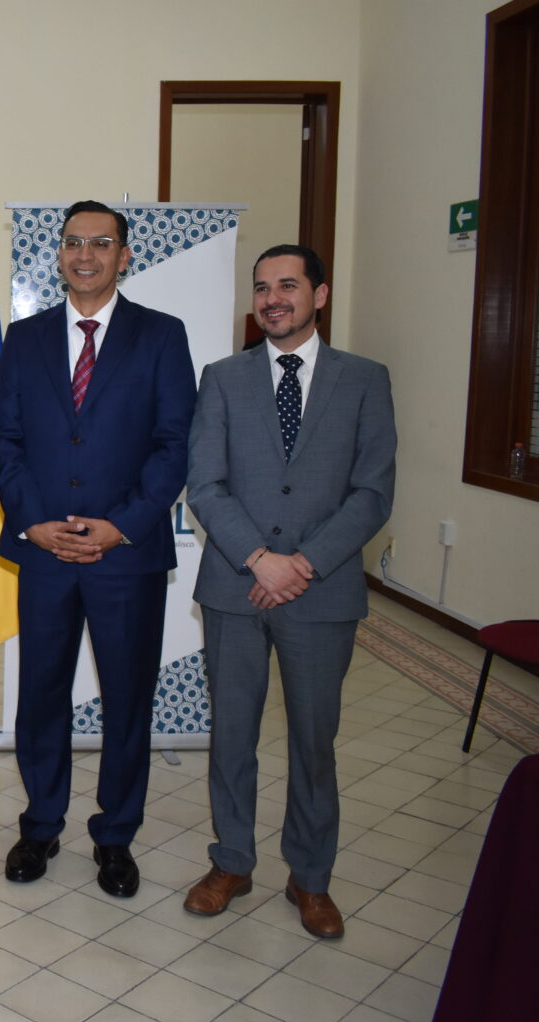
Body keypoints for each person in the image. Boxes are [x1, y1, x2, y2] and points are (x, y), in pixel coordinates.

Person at [183, 245, 395, 939]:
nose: (273, 298)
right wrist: (258, 559)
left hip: (321, 593)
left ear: (319, 294)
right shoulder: (222, 378)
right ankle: (232, 862)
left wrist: (302, 563)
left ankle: (310, 877)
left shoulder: (364, 380)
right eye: (262, 288)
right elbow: (205, 483)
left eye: (288, 285)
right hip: (235, 588)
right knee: (232, 736)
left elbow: (372, 493)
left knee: (313, 742)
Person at [0, 200, 197, 897]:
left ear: (124, 255)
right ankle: (40, 824)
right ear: (58, 254)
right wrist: (32, 522)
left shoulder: (162, 335)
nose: (86, 255)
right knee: (41, 695)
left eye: (101, 243)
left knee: (127, 700)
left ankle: (115, 837)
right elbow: (7, 440)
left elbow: (175, 445)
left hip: (126, 556)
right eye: (74, 242)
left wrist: (122, 524)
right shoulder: (24, 338)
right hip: (45, 553)